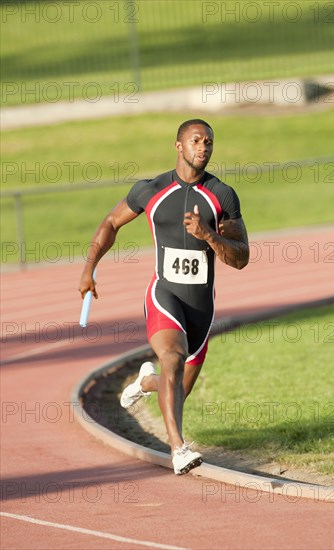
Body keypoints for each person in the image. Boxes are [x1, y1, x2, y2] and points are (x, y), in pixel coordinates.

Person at [79, 119, 250, 475]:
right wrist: (89, 268)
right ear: (178, 146)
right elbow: (111, 223)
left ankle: (144, 382)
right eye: (196, 141)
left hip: (201, 307)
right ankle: (178, 449)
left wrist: (209, 236)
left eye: (209, 142)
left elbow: (241, 258)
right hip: (164, 294)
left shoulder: (222, 195)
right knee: (171, 356)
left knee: (175, 391)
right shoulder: (151, 189)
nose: (203, 147)